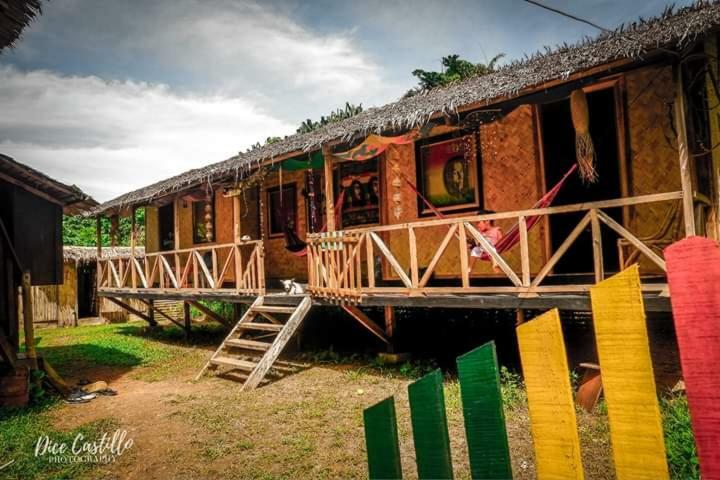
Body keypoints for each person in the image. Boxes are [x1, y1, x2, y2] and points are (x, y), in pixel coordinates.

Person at [469, 209, 503, 273]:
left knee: (489, 243)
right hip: (483, 250)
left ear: (487, 221)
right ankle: (470, 268)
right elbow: (478, 243)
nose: (477, 225)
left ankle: (495, 265)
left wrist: (497, 245)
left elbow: (502, 242)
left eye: (478, 222)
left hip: (493, 249)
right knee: (475, 250)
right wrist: (474, 243)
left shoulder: (496, 230)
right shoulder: (481, 232)